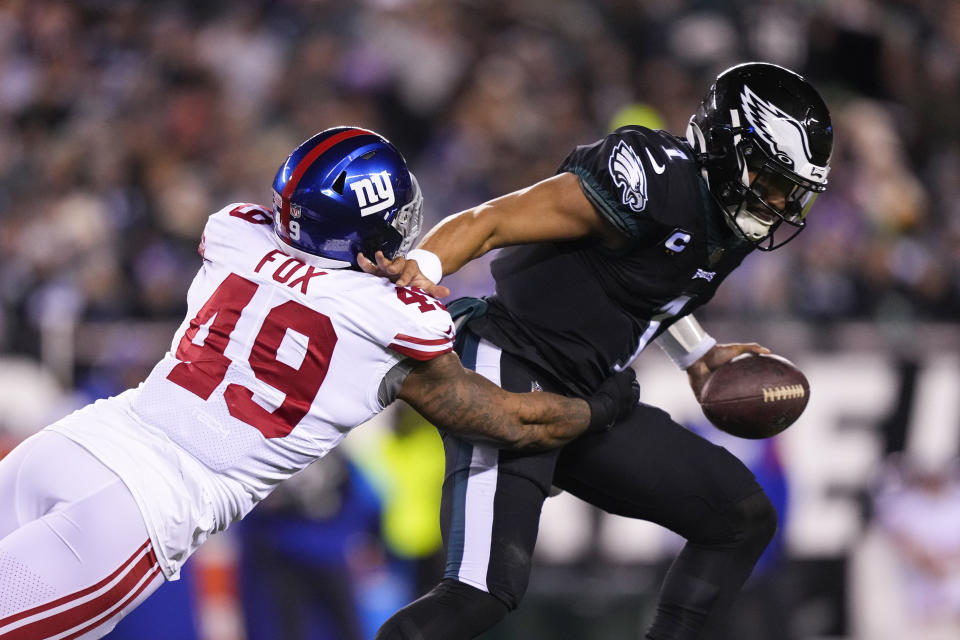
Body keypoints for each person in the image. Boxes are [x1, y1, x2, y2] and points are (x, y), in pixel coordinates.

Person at [0, 126, 640, 640]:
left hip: (74, 444)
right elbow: (509, 419)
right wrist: (603, 405)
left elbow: (285, 250)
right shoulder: (396, 322)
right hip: (140, 509)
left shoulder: (233, 233)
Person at [364, 62, 834, 639]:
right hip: (512, 365)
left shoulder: (729, 220)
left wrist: (699, 354)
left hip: (590, 397)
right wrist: (425, 266)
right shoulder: (653, 180)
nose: (779, 203)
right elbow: (493, 220)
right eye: (769, 181)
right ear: (724, 148)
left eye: (793, 192)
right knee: (481, 593)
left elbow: (657, 284)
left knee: (740, 518)